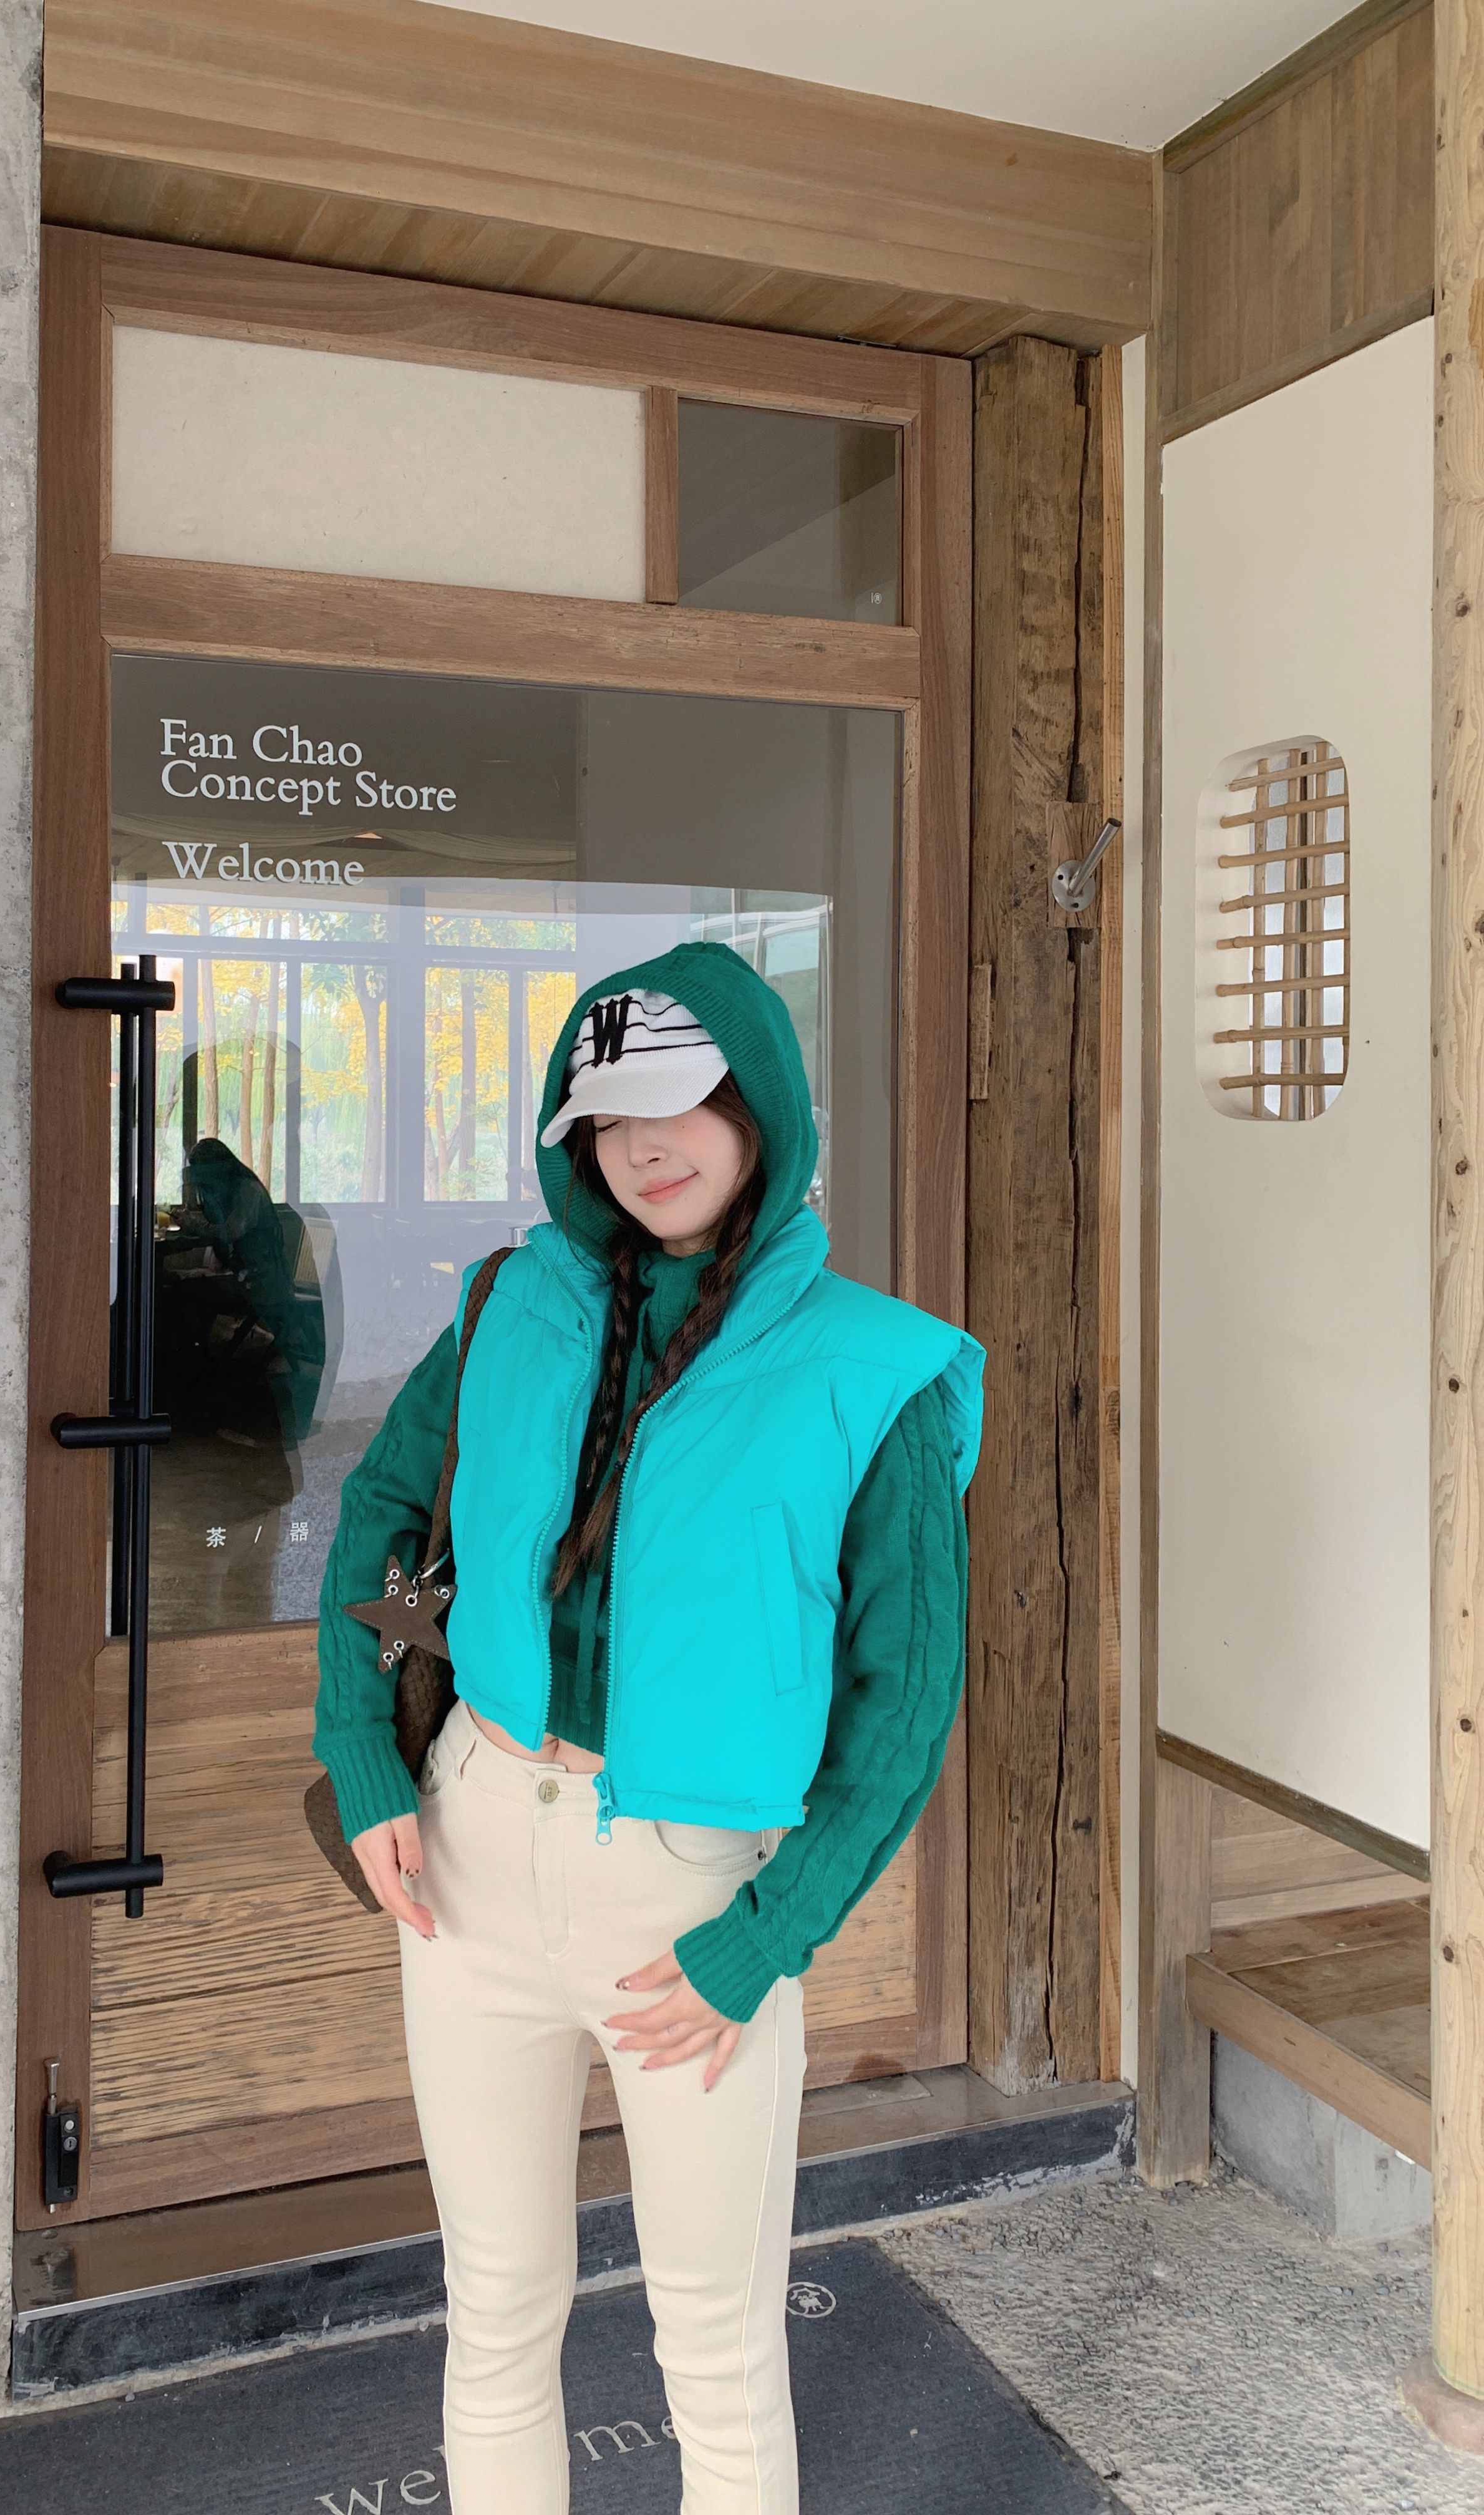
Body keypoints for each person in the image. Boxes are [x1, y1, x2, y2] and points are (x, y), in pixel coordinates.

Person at [313, 940, 984, 2515]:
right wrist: (365, 1755)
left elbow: (904, 1697)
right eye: (607, 1117)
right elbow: (387, 1519)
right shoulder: (510, 1305)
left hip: (690, 1904)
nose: (643, 1146)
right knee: (494, 2310)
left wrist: (768, 1938)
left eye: (678, 1103)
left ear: (762, 1110)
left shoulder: (871, 1367)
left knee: (717, 2347)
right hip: (469, 1858)